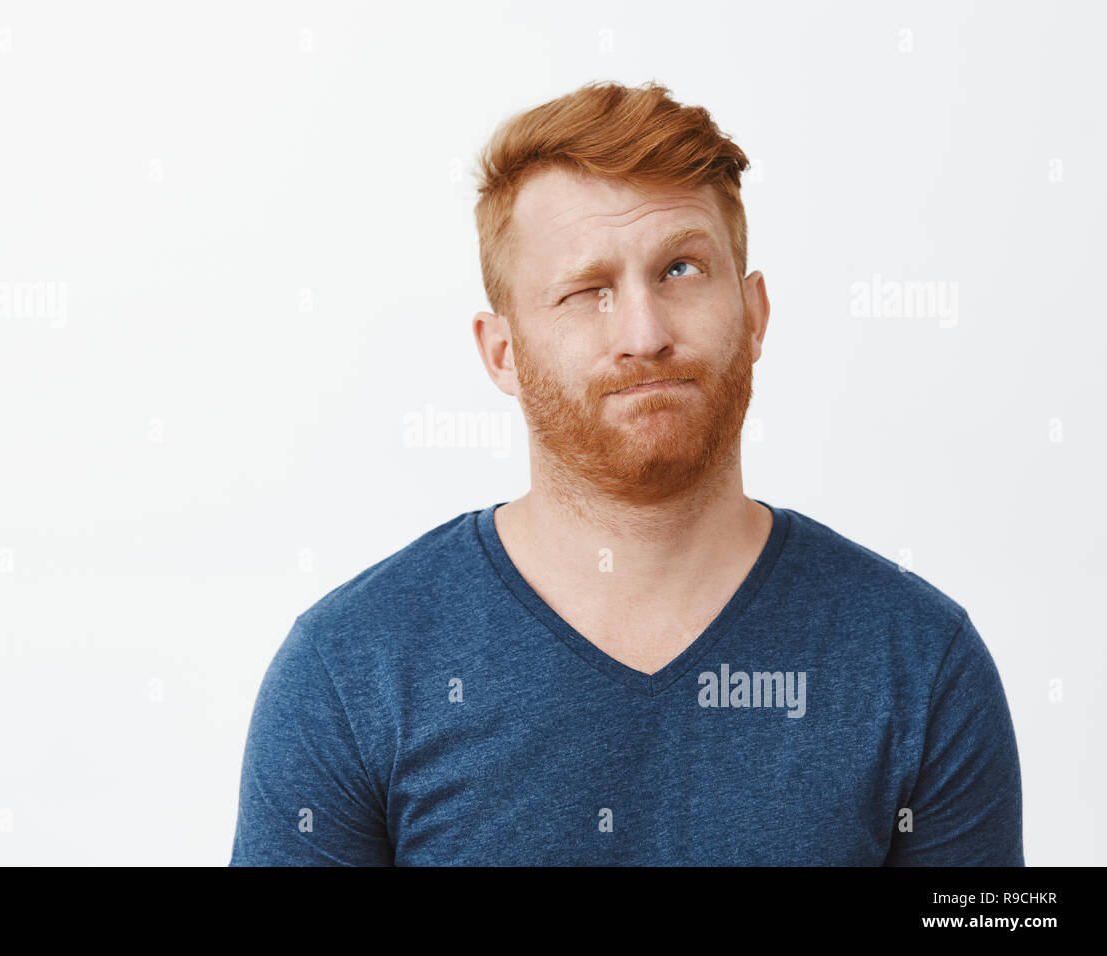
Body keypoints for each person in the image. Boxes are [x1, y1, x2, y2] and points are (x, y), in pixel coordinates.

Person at [228, 80, 1023, 866]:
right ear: (501, 353)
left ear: (755, 316)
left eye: (680, 269)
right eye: (587, 291)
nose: (643, 334)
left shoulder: (922, 664)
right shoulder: (347, 672)